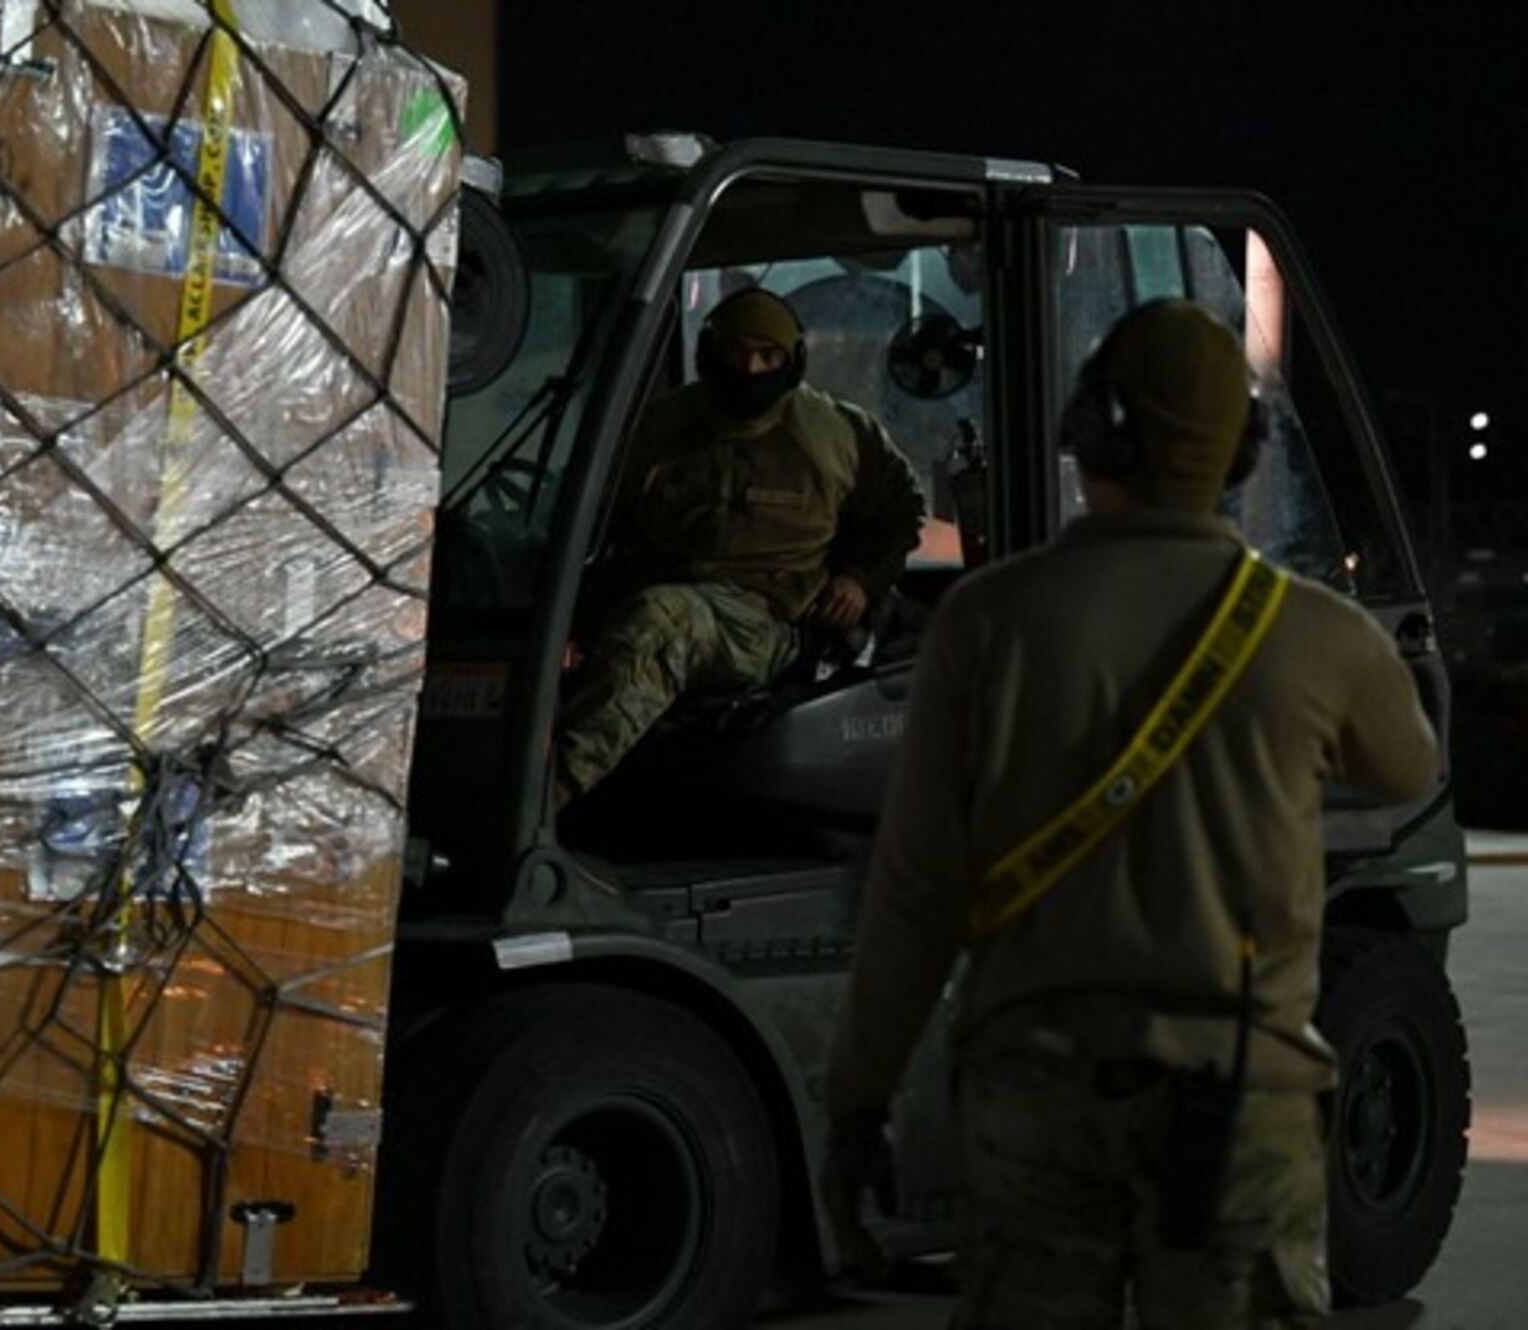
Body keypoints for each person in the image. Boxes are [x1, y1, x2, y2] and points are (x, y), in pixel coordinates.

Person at [820, 299, 1439, 1328]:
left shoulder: (985, 620)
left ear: (1091, 430)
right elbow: (1404, 768)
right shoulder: (1313, 634)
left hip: (1035, 1100)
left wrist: (857, 1098)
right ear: (1238, 453)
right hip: (1237, 1100)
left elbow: (915, 888)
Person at [553, 286, 925, 808]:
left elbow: (900, 512)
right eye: (736, 353)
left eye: (768, 355)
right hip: (663, 595)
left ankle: (550, 795)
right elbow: (606, 526)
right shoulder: (662, 428)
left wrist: (860, 579)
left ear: (791, 361)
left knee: (662, 618)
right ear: (710, 355)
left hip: (771, 622)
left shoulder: (836, 435)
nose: (750, 369)